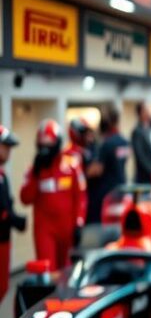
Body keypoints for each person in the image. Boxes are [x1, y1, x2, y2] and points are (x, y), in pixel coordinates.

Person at [20, 120, 86, 270]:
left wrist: (79, 223)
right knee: (48, 272)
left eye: (48, 146)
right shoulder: (34, 170)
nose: (45, 150)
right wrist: (36, 175)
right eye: (42, 146)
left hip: (68, 230)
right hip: (45, 231)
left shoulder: (72, 165)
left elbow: (81, 196)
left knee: (68, 272)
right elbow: (25, 198)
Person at [86, 105, 130, 224]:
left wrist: (83, 172)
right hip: (121, 188)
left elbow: (97, 170)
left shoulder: (107, 144)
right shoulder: (125, 142)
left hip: (107, 194)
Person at [0, 126, 26, 301]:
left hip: (4, 239)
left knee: (2, 287)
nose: (9, 151)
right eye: (5, 146)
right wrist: (13, 218)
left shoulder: (3, 175)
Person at [131, 101, 151, 185]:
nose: (149, 112)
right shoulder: (137, 132)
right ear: (141, 113)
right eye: (147, 109)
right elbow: (140, 155)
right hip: (145, 177)